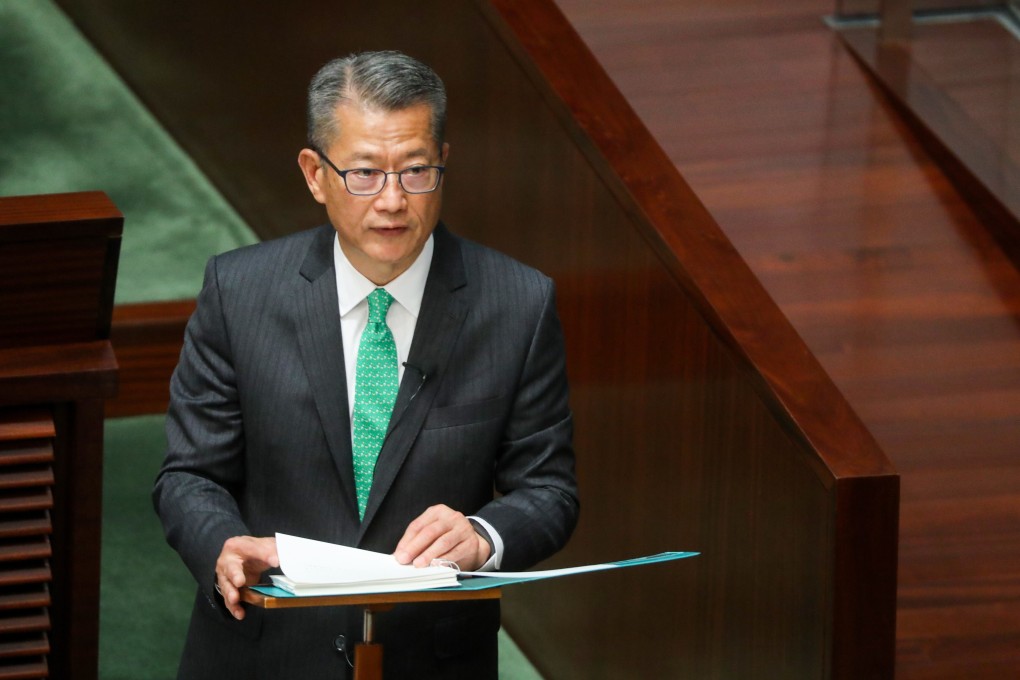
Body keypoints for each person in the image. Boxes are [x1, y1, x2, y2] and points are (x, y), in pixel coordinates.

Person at [153, 50, 579, 679]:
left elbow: (549, 490)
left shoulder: (519, 304)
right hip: (264, 650)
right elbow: (189, 475)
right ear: (315, 174)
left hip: (430, 658)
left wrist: (484, 536)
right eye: (364, 173)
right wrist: (224, 545)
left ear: (443, 163)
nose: (392, 200)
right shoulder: (238, 291)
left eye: (416, 171)